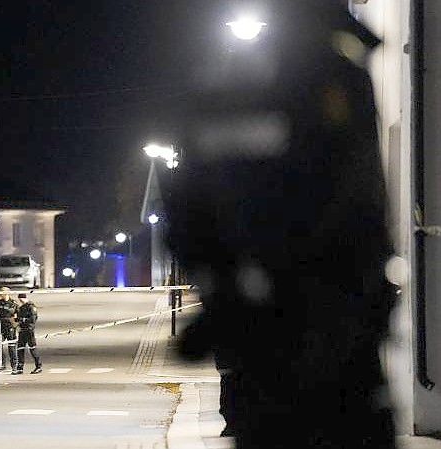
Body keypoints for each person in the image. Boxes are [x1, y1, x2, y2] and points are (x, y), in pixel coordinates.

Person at [169, 2, 396, 448]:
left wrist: (217, 285)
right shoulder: (339, 79)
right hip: (333, 323)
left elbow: (187, 202)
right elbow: (363, 205)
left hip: (260, 326)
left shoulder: (219, 85)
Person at [13, 293, 42, 375]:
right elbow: (18, 319)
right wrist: (16, 319)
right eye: (19, 299)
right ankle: (20, 368)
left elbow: (32, 319)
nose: (20, 301)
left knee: (32, 348)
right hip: (22, 330)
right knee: (20, 349)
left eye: (21, 299)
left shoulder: (31, 307)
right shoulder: (21, 307)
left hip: (29, 330)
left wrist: (22, 319)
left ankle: (38, 366)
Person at [0, 287, 19, 371]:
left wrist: (14, 324)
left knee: (11, 347)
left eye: (1, 292)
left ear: (7, 293)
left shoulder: (13, 303)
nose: (0, 294)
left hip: (10, 327)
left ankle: (14, 365)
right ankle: (2, 364)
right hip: (1, 326)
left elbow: (18, 315)